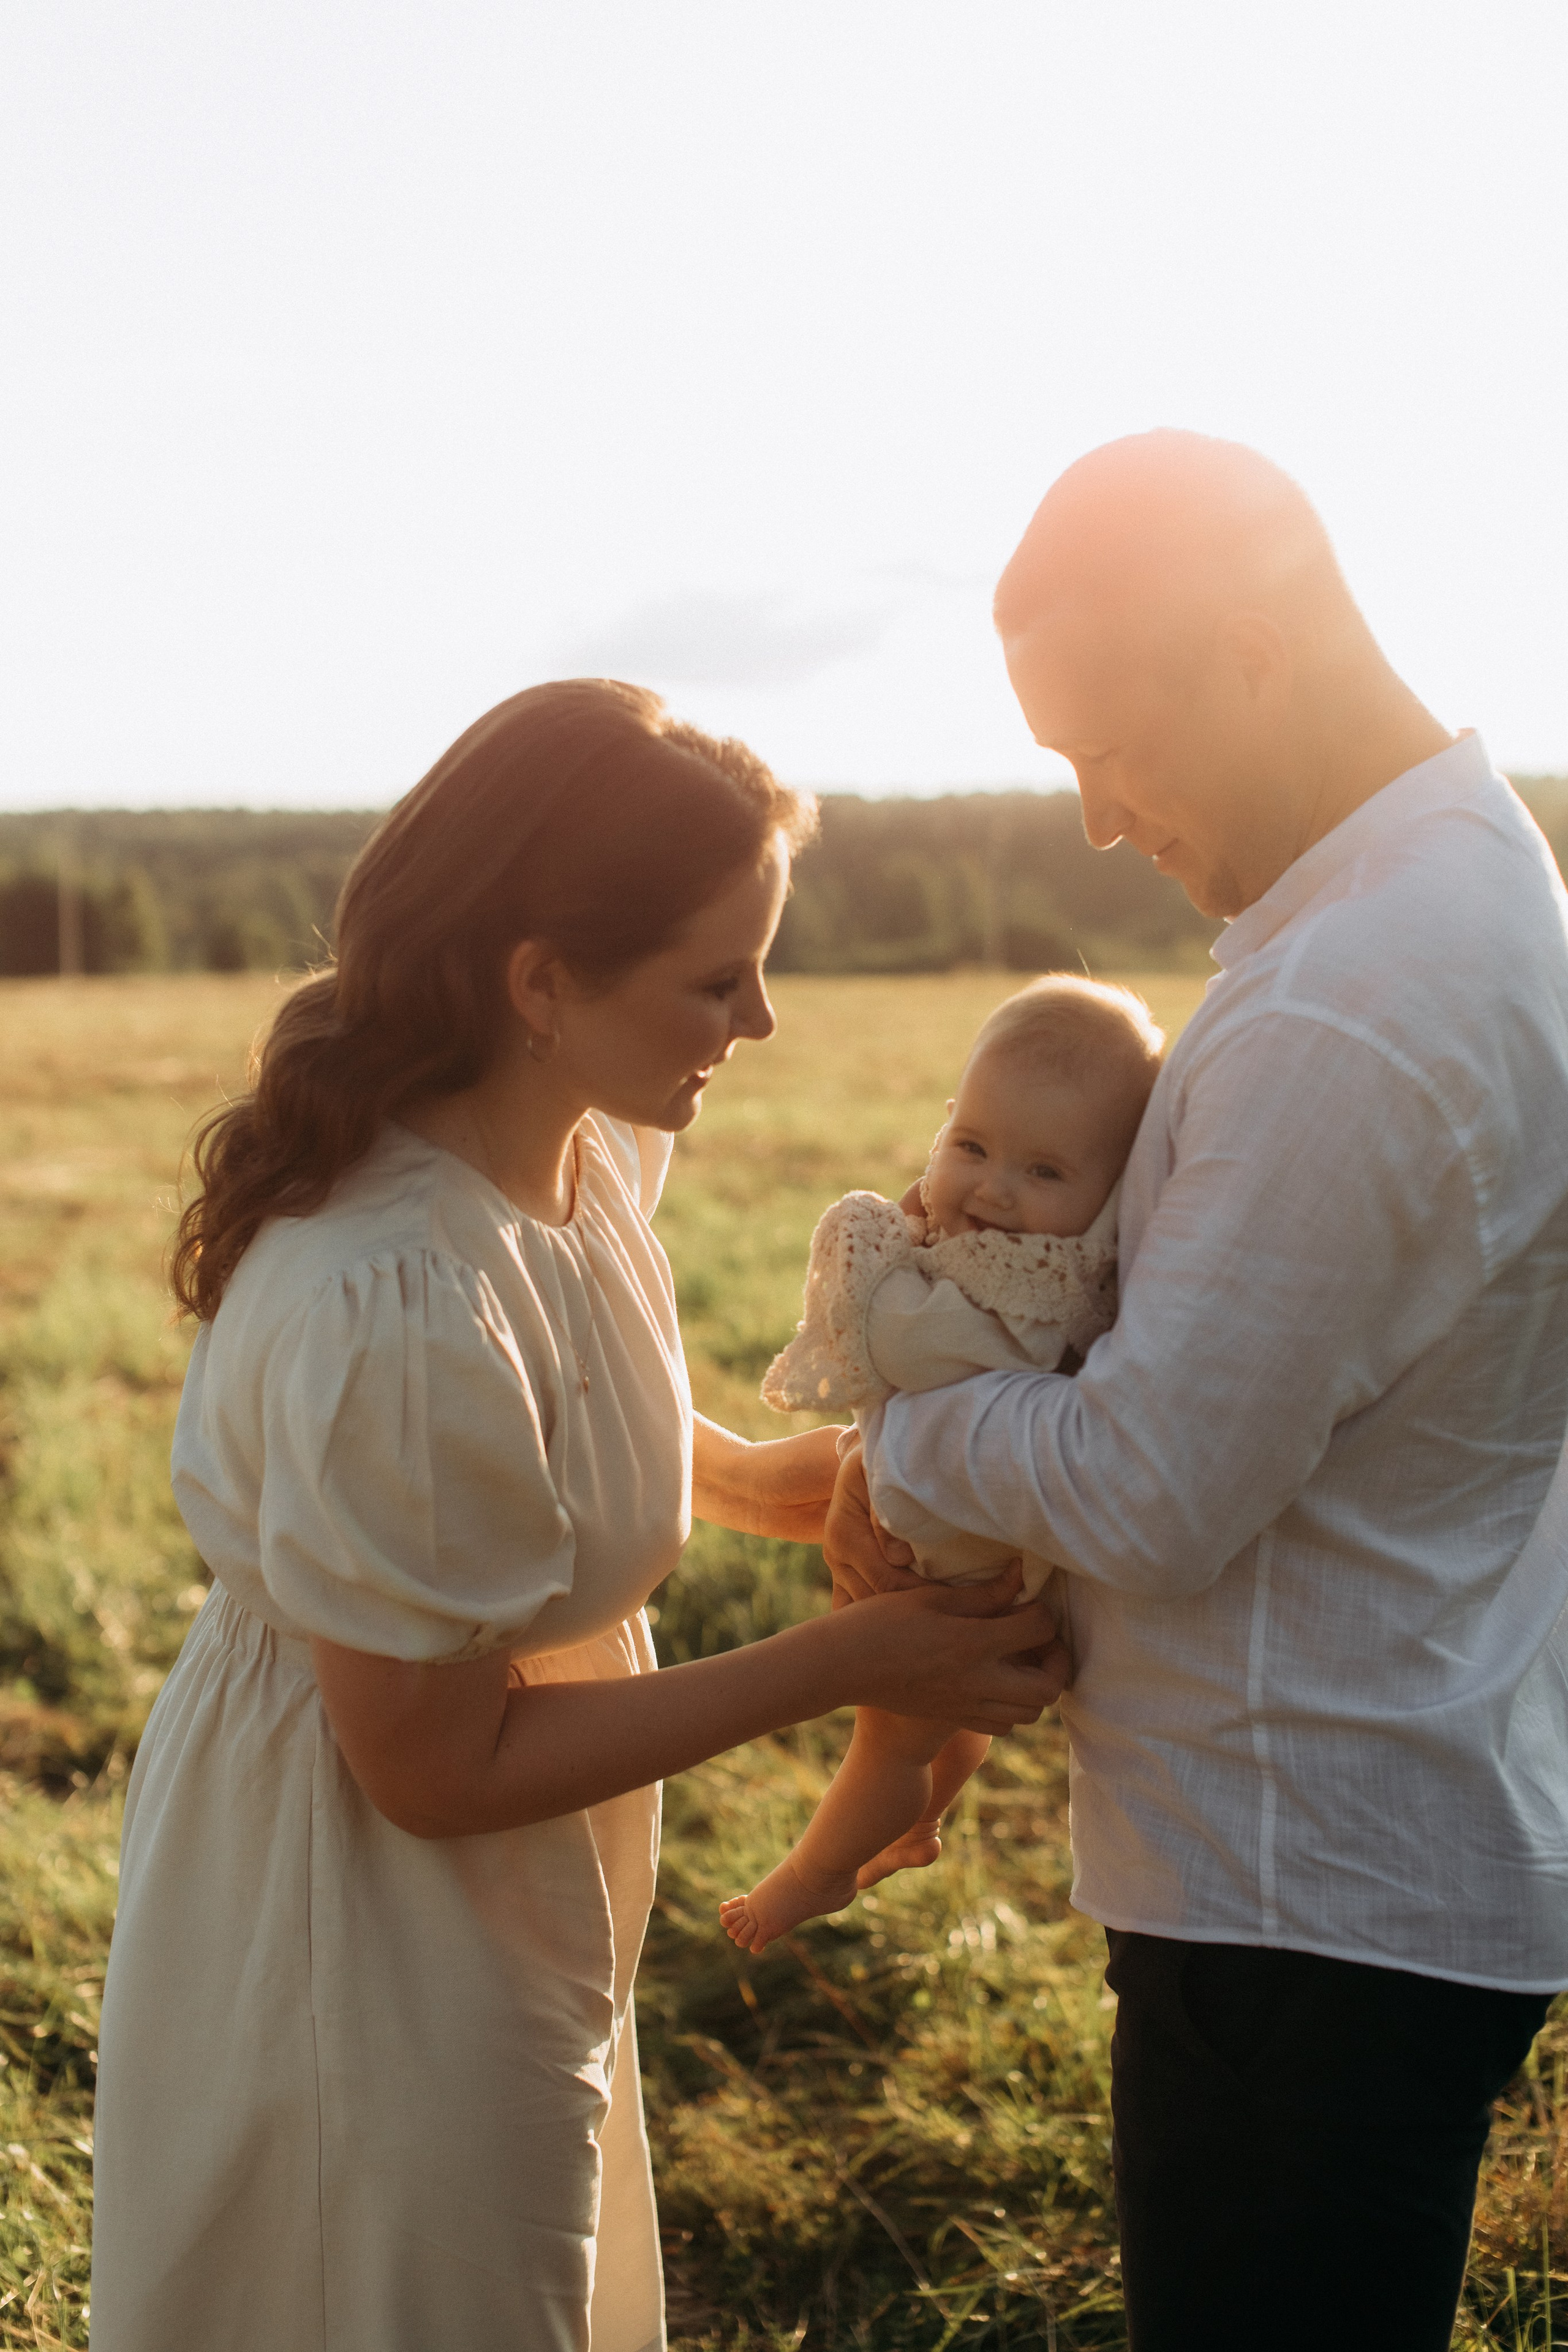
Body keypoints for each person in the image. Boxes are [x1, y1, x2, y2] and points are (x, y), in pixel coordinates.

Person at [89, 680, 1066, 2352]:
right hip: (358, 1905)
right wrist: (854, 1656)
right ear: (541, 980)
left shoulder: (576, 1141)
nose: (759, 1020)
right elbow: (430, 1769)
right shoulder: (393, 1300)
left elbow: (568, 1413)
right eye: (717, 976)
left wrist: (785, 1485)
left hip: (501, 1873)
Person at [824, 434, 1568, 2350]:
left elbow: (1154, 1486)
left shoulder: (1358, 993)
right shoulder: (1429, 898)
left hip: (1298, 1895)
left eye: (1106, 745)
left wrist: (894, 1439)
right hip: (1335, 1859)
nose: (1091, 822)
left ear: (1252, 652)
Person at [720, 976, 1162, 1953]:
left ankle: (814, 1875)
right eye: (971, 1147)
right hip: (1000, 1544)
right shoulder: (1038, 1261)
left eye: (1044, 1172)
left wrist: (881, 1252)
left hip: (950, 1559)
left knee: (894, 1732)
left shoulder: (1031, 1292)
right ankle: (919, 1818)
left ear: (1110, 1197)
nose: (994, 1188)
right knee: (957, 1719)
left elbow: (902, 1347)